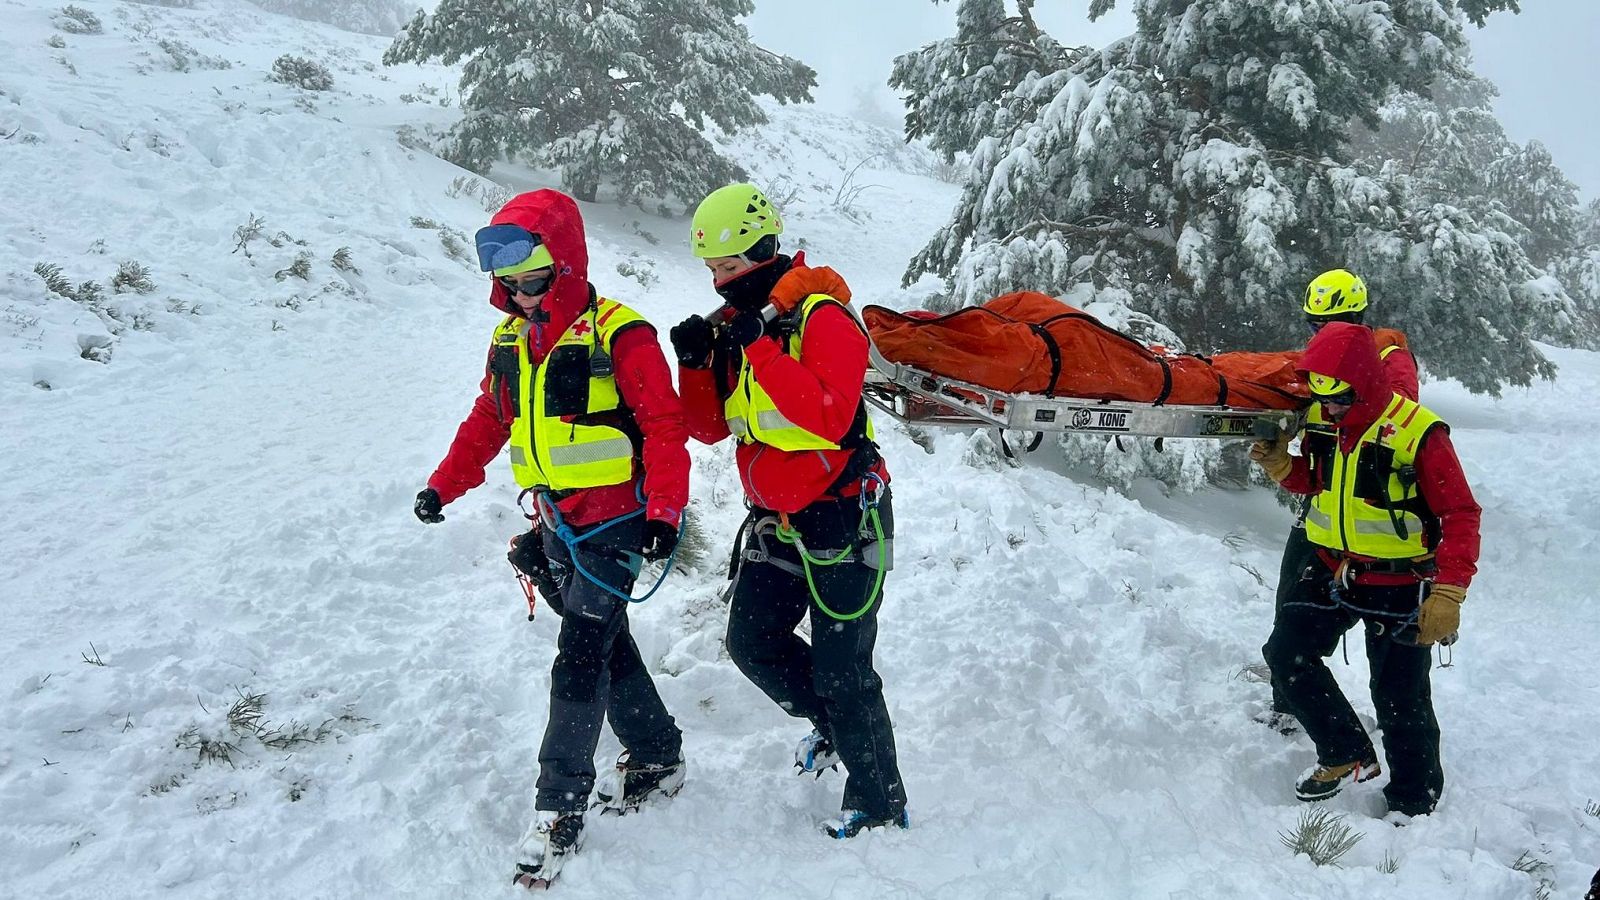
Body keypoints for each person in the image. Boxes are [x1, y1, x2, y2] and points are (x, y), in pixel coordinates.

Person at [413, 189, 691, 887]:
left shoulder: (620, 334)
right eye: (506, 280)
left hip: (618, 522)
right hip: (558, 524)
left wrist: (663, 514)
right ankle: (657, 755)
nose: (517, 291)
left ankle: (557, 809)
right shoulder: (510, 338)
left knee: (578, 658)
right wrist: (444, 484)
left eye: (530, 277)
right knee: (605, 645)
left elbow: (663, 426)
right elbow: (489, 417)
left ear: (563, 264)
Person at [668, 183, 908, 839]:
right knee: (753, 645)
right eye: (713, 271)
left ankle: (881, 798)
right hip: (778, 521)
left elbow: (828, 417)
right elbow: (711, 428)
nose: (720, 284)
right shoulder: (748, 329)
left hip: (843, 517)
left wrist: (759, 347)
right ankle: (834, 728)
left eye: (729, 267)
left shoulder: (823, 317)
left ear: (765, 252)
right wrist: (695, 364)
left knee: (842, 669)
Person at [1254, 321, 1481, 821]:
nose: (1328, 408)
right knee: (1286, 653)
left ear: (1365, 382)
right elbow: (1320, 482)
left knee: (1399, 697)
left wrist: (1449, 592)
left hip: (1400, 582)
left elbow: (1460, 513)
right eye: (1321, 396)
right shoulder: (1324, 418)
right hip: (1332, 568)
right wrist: (1281, 468)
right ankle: (1344, 750)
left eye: (1338, 398)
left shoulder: (1420, 434)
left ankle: (1412, 803)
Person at [1259, 269, 1420, 734]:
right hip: (1324, 501)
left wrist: (1311, 408)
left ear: (1358, 316)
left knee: (1393, 661)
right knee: (1289, 609)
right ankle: (1288, 703)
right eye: (1314, 325)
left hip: (1375, 519)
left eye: (1329, 323)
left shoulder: (1388, 357)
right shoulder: (1320, 359)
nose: (1321, 333)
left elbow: (1386, 410)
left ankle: (1396, 762)